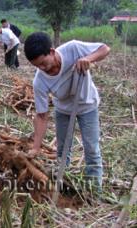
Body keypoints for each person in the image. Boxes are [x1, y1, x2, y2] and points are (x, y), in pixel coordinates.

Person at [24, 32, 110, 192]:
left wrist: (88, 59)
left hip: (87, 105)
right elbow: (42, 116)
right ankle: (64, 185)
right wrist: (36, 147)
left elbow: (104, 49)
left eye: (43, 63)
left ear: (51, 51)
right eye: (37, 66)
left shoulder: (73, 48)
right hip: (63, 109)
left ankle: (94, 191)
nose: (42, 69)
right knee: (63, 151)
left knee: (91, 148)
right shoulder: (39, 81)